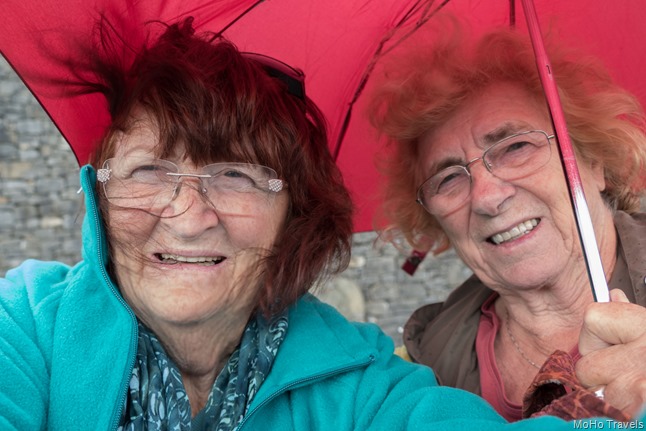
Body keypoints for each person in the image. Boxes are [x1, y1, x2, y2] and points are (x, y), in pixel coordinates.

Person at [3, 15, 619, 431]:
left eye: (236, 177)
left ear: (293, 223)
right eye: (148, 172)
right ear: (100, 193)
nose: (188, 218)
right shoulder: (23, 327)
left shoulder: (364, 381)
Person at [368, 17, 646, 421]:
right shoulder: (419, 370)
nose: (486, 197)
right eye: (447, 178)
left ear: (594, 159)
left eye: (515, 147)